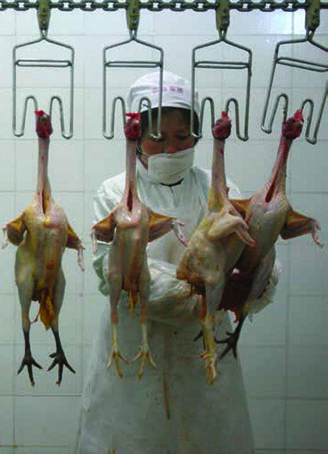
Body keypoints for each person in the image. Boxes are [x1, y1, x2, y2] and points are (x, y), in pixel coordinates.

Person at [76, 71, 278, 453]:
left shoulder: (218, 188)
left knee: (206, 439)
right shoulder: (116, 193)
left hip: (204, 355)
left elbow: (256, 264)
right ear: (136, 136)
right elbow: (115, 277)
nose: (171, 149)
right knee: (132, 440)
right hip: (135, 349)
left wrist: (256, 277)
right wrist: (208, 290)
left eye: (182, 137)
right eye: (159, 138)